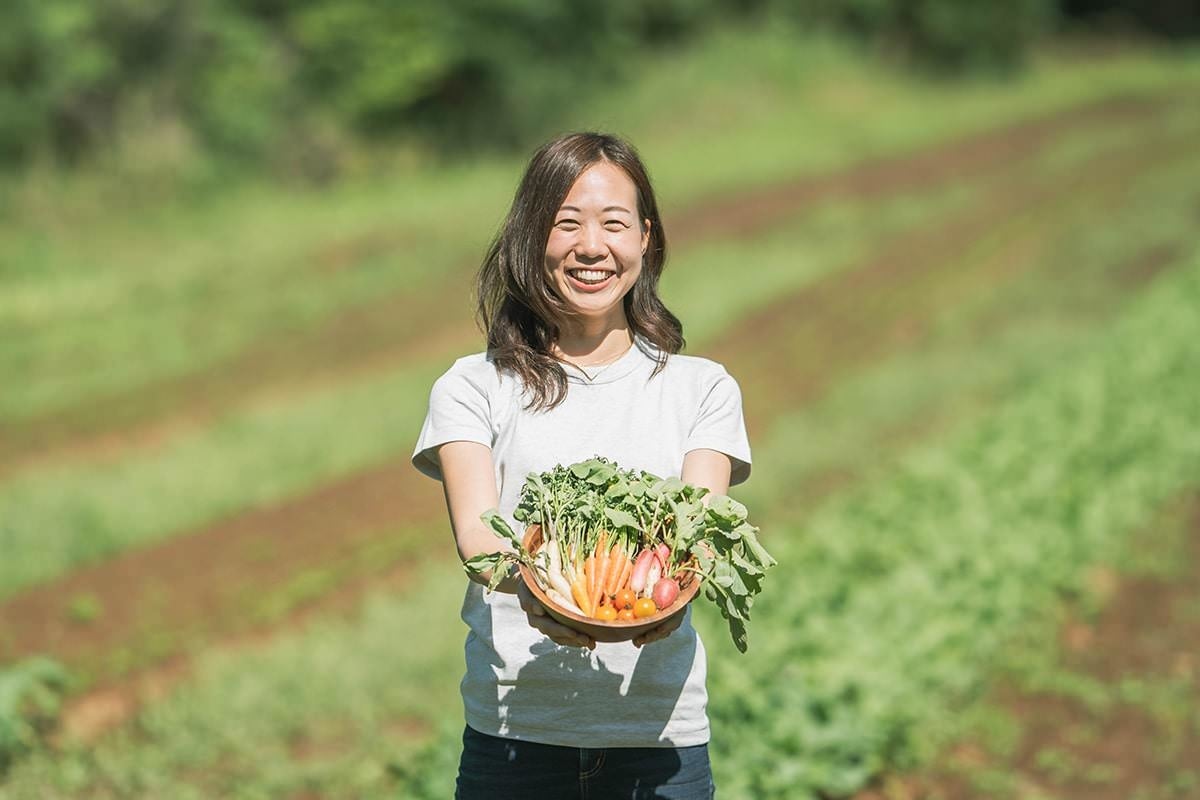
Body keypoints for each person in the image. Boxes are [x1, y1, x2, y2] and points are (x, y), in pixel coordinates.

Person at [412, 131, 751, 799]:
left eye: (613, 223)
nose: (591, 246)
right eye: (565, 223)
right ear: (531, 238)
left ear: (646, 239)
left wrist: (662, 599)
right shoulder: (473, 387)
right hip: (515, 736)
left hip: (659, 744)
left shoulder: (703, 388)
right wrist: (544, 590)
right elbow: (480, 541)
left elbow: (698, 534)